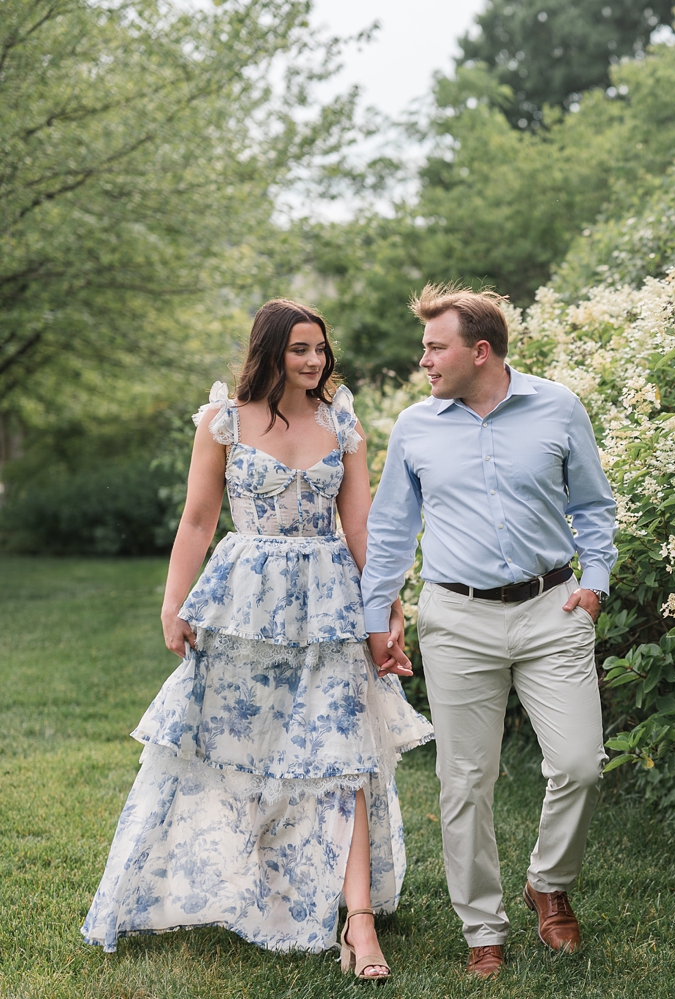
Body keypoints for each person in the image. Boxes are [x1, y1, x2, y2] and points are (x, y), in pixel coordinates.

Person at [82, 299, 434, 983]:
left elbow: (362, 530)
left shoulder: (343, 422)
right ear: (269, 351)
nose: (314, 361)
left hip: (329, 600)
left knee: (342, 753)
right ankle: (242, 882)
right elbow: (197, 519)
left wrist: (388, 608)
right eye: (300, 348)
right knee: (235, 745)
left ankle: (357, 919)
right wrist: (172, 603)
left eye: (320, 350)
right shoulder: (224, 422)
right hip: (244, 600)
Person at [361, 283, 617, 978]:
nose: (424, 361)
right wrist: (375, 618)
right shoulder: (417, 425)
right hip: (457, 616)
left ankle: (548, 882)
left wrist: (594, 582)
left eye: (434, 347)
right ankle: (484, 928)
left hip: (552, 607)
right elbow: (390, 530)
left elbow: (594, 506)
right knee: (465, 779)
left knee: (579, 763)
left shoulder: (558, 407)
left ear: (480, 350)